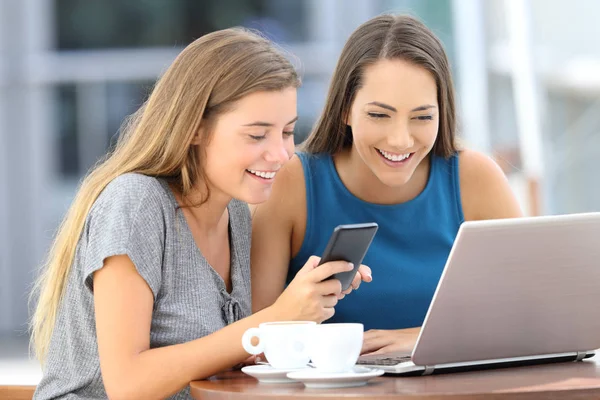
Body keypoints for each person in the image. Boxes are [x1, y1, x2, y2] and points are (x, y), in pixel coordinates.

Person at [30, 28, 356, 400]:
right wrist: (271, 319)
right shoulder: (136, 204)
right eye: (256, 135)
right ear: (196, 129)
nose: (282, 154)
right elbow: (127, 385)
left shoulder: (236, 213)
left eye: (287, 132)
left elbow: (226, 358)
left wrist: (304, 308)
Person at [250, 14, 523, 356]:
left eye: (423, 117)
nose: (400, 140)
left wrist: (420, 339)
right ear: (345, 110)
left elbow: (526, 316)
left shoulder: (475, 177)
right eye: (379, 115)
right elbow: (253, 342)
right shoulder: (290, 184)